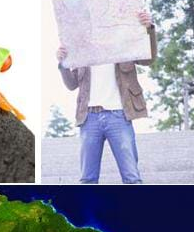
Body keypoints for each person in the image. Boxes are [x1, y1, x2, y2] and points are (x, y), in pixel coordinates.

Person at [57, 11, 157, 184]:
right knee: (87, 179)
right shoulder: (82, 52)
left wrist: (149, 29)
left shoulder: (124, 46)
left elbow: (149, 58)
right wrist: (62, 63)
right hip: (89, 119)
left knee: (132, 177)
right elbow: (72, 84)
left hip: (119, 116)